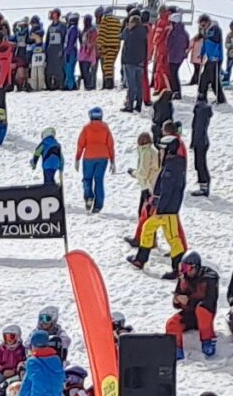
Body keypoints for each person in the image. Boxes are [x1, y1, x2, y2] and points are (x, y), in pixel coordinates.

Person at [127, 135, 188, 274]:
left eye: (162, 149)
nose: (159, 152)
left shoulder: (171, 168)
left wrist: (159, 206)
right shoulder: (174, 163)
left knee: (172, 238)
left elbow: (167, 191)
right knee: (149, 229)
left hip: (167, 210)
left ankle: (177, 267)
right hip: (168, 208)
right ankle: (141, 259)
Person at [167, 252, 221, 360]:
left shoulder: (209, 278)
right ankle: (176, 349)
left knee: (201, 310)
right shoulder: (183, 278)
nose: (184, 271)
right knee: (172, 323)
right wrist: (177, 300)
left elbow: (209, 301)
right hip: (190, 313)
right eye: (182, 267)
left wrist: (188, 301)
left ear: (195, 267)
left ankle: (208, 341)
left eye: (187, 268)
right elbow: (178, 298)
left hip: (205, 313)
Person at [75, 107, 114, 213]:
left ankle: (88, 197)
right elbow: (110, 145)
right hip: (103, 157)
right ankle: (98, 205)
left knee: (87, 179)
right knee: (99, 180)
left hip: (89, 157)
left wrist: (77, 158)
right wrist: (112, 160)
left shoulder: (86, 128)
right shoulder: (105, 128)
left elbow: (80, 144)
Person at [190, 94, 213, 195]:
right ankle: (205, 182)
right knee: (201, 163)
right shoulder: (204, 111)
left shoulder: (199, 111)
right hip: (204, 141)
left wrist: (194, 142)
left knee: (199, 164)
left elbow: (197, 129)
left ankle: (204, 186)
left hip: (199, 142)